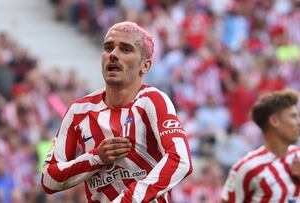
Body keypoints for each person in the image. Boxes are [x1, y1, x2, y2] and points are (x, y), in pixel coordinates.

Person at [41, 21, 193, 202]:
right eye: (108, 48)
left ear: (145, 66)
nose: (113, 54)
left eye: (125, 49)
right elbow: (49, 179)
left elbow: (181, 160)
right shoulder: (78, 111)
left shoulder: (152, 101)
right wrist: (96, 157)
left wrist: (128, 199)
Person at [221, 89, 300, 203]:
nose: (299, 122)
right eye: (293, 116)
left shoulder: (298, 156)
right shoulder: (247, 168)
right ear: (274, 121)